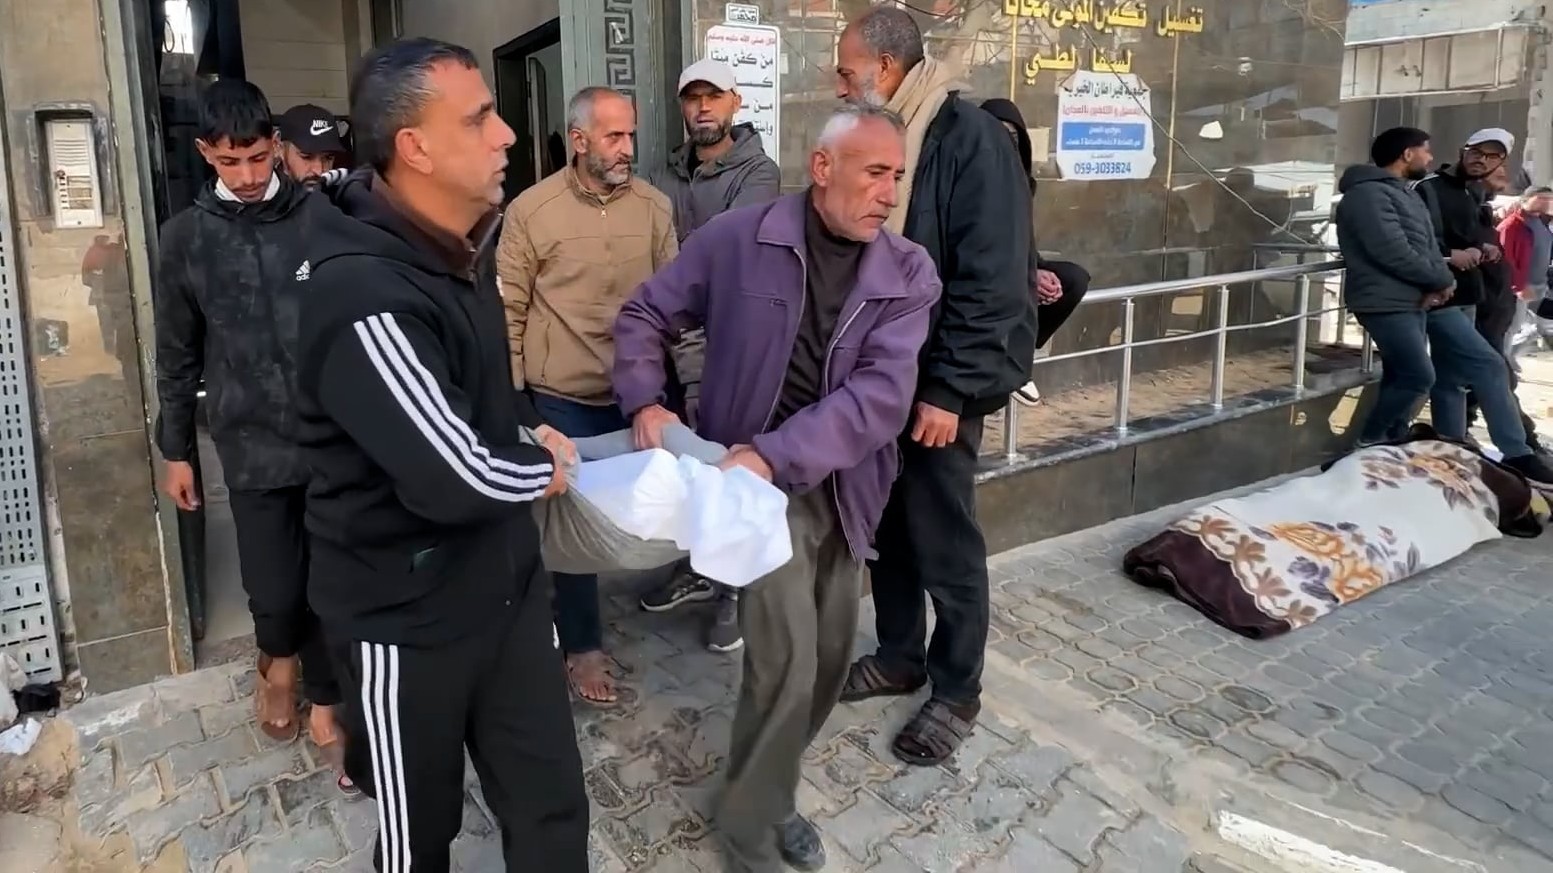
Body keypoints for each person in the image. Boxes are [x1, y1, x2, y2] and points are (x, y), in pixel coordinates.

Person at [614, 102, 940, 873]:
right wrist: (645, 400)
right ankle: (750, 834)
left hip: (845, 488)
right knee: (786, 661)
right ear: (822, 168)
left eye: (896, 176)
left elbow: (881, 399)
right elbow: (644, 313)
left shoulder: (907, 272)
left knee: (827, 660)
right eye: (873, 172)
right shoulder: (739, 239)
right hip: (753, 492)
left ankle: (766, 789)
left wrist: (776, 453)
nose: (887, 192)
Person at [295, 37, 588, 871]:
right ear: (415, 147)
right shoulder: (362, 292)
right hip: (404, 621)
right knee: (418, 836)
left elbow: (473, 393)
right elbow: (453, 471)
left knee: (552, 807)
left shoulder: (462, 246)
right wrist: (544, 468)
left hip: (506, 595)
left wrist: (526, 428)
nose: (506, 135)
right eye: (480, 118)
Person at [832, 5, 1035, 766]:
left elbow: (992, 280)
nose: (839, 84)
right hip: (878, 387)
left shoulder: (967, 139)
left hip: (936, 390)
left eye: (847, 70)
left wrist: (949, 391)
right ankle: (899, 656)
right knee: (886, 532)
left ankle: (956, 688)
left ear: (886, 68)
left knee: (944, 539)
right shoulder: (883, 141)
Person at [151, 78, 351, 792]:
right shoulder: (186, 238)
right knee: (273, 582)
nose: (245, 175)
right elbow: (176, 351)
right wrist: (176, 448)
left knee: (330, 576)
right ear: (206, 153)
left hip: (328, 434)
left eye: (259, 158)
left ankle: (325, 696)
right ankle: (278, 664)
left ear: (276, 146)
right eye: (229, 161)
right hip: (248, 439)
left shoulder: (318, 217)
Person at [496, 86, 677, 705]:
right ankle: (581, 646)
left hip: (633, 397)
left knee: (629, 517)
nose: (628, 148)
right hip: (560, 398)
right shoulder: (531, 211)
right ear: (578, 141)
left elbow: (674, 305)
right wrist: (517, 407)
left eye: (631, 135)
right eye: (614, 136)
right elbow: (507, 314)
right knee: (567, 530)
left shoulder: (654, 208)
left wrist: (673, 391)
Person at [639, 57, 782, 654]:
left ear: (735, 102)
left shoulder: (759, 173)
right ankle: (702, 567)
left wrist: (669, 255)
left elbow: (716, 252)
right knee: (689, 467)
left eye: (713, 96)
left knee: (732, 465)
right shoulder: (662, 174)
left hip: (731, 346)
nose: (702, 107)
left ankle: (735, 593)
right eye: (692, 97)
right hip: (671, 341)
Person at [1414, 131, 1553, 481]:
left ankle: (1452, 445)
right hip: (1439, 294)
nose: (1484, 160)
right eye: (1478, 152)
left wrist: (1486, 246)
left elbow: (1480, 235)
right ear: (1463, 151)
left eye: (1494, 157)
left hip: (1470, 296)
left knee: (1451, 378)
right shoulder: (1428, 188)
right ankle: (1518, 452)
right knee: (1490, 366)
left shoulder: (1474, 193)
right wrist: (1449, 257)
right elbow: (1415, 240)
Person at [981, 97, 1090, 407]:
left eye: (1013, 135)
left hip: (1016, 266)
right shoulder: (972, 179)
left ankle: (1020, 355)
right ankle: (1009, 362)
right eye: (999, 133)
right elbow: (984, 245)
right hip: (980, 271)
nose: (1007, 142)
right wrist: (1029, 275)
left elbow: (1022, 240)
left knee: (1072, 280)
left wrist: (1038, 270)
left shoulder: (1022, 182)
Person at [1497, 186, 1553, 362]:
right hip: (1519, 288)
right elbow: (1506, 259)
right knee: (1510, 328)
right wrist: (1518, 286)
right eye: (1541, 198)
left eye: (1549, 199)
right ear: (1525, 199)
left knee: (1528, 327)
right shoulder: (1513, 225)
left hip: (1539, 286)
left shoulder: (1542, 222)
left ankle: (1508, 362)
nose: (1547, 202)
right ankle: (1503, 364)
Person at [275, 103, 347, 186]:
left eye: (328, 158)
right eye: (307, 157)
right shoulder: (264, 190)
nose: (319, 171)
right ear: (279, 147)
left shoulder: (342, 191)